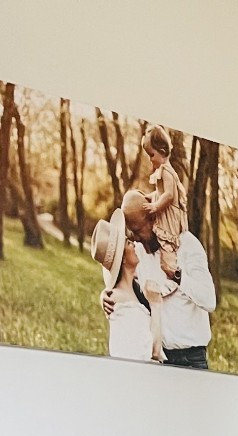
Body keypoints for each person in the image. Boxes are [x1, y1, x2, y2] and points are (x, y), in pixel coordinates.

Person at [106, 191, 217, 369]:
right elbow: (126, 279)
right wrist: (108, 294)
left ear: (152, 218)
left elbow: (209, 300)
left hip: (190, 359)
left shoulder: (188, 244)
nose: (134, 238)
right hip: (159, 359)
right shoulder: (141, 251)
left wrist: (177, 275)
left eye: (137, 230)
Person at [91, 215, 156, 362]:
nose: (133, 244)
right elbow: (137, 352)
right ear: (123, 259)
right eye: (128, 243)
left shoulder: (135, 288)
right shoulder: (120, 302)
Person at [142, 127, 187, 267]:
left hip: (170, 219)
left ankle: (174, 272)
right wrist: (150, 197)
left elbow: (168, 195)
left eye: (151, 155)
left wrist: (155, 206)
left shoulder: (166, 171)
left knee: (168, 248)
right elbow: (161, 193)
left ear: (162, 152)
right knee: (163, 250)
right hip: (166, 215)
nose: (150, 160)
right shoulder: (163, 170)